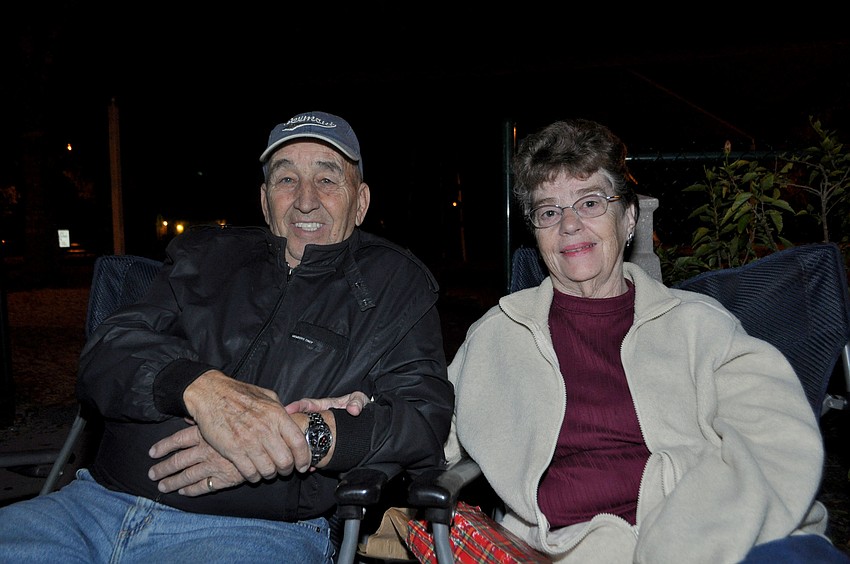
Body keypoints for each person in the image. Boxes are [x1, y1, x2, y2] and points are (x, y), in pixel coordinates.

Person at [0, 110, 454, 562]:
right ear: (265, 200)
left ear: (361, 202)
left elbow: (423, 420)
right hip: (94, 507)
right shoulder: (205, 255)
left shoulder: (395, 285)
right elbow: (108, 352)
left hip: (254, 533)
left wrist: (303, 435)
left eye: (327, 179)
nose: (305, 200)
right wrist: (202, 389)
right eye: (286, 179)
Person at [443, 118, 849, 563]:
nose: (570, 224)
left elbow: (777, 440)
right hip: (572, 551)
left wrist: (686, 542)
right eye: (549, 212)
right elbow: (428, 428)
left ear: (629, 217)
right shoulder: (498, 336)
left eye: (590, 202)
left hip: (714, 540)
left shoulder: (700, 325)